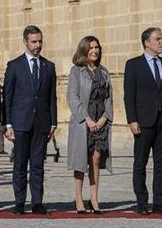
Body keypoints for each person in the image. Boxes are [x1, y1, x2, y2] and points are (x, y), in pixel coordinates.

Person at [123, 27, 162, 215]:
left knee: (160, 165)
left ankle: (159, 203)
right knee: (140, 163)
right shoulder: (133, 65)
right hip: (143, 122)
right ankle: (141, 202)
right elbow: (129, 96)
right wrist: (132, 120)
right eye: (158, 39)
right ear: (147, 42)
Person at [3, 25, 57, 215]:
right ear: (25, 42)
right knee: (19, 164)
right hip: (20, 123)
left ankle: (37, 202)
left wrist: (53, 123)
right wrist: (7, 124)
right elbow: (8, 96)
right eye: (34, 42)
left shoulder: (48, 66)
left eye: (40, 41)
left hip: (41, 123)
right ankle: (19, 202)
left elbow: (51, 97)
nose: (38, 45)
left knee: (37, 165)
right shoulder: (14, 65)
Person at [66, 35, 112, 215]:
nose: (95, 50)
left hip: (100, 121)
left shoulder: (104, 71)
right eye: (91, 47)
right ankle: (78, 198)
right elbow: (73, 97)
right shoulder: (76, 71)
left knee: (96, 159)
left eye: (97, 47)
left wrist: (105, 117)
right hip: (82, 121)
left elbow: (108, 97)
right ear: (84, 50)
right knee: (81, 161)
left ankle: (94, 198)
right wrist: (87, 118)